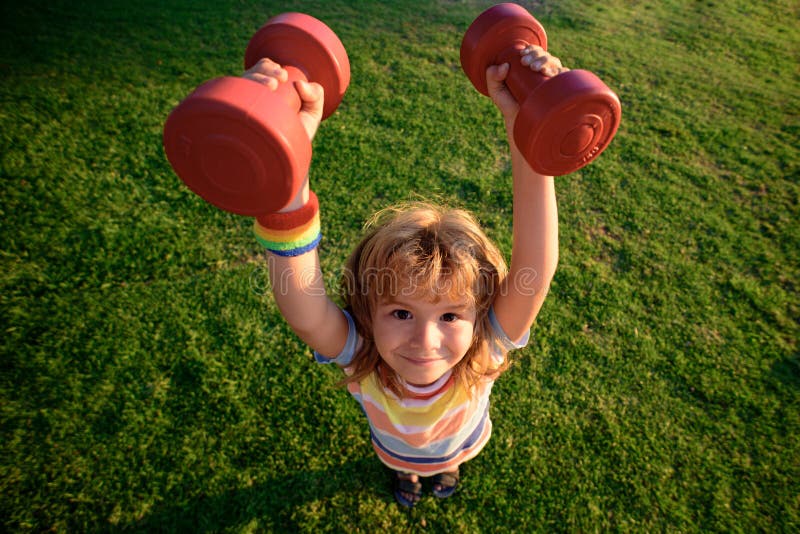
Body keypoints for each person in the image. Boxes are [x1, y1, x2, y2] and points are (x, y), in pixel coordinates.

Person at [246, 45, 566, 507]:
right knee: (403, 466)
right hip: (393, 447)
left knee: (451, 460)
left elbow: (534, 270)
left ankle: (446, 472)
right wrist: (288, 162)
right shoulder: (363, 356)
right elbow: (301, 303)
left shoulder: (484, 348)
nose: (425, 339)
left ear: (478, 315)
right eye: (400, 311)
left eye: (451, 316)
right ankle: (407, 479)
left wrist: (526, 124)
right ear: (366, 311)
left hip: (463, 439)